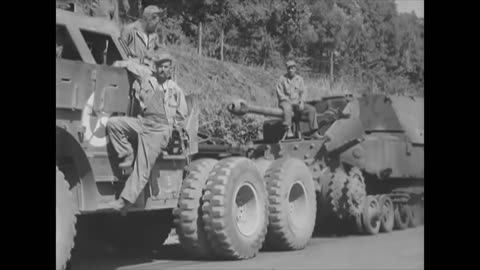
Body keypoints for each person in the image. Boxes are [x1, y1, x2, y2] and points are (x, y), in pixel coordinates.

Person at [104, 53, 188, 211]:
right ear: (156, 67)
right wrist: (116, 64)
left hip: (159, 130)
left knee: (142, 168)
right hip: (143, 122)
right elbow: (129, 65)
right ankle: (127, 153)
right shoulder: (147, 76)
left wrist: (169, 129)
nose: (162, 70)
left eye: (166, 67)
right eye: (160, 66)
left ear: (170, 70)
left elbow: (182, 115)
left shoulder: (176, 90)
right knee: (114, 124)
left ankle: (125, 201)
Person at [276, 59, 322, 139]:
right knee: (287, 108)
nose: (290, 70)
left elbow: (303, 92)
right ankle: (288, 129)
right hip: (285, 102)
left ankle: (314, 132)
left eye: (292, 68)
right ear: (287, 69)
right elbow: (280, 93)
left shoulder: (299, 79)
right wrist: (288, 101)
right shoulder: (282, 79)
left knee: (311, 109)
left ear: (295, 69)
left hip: (297, 102)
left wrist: (301, 102)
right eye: (289, 68)